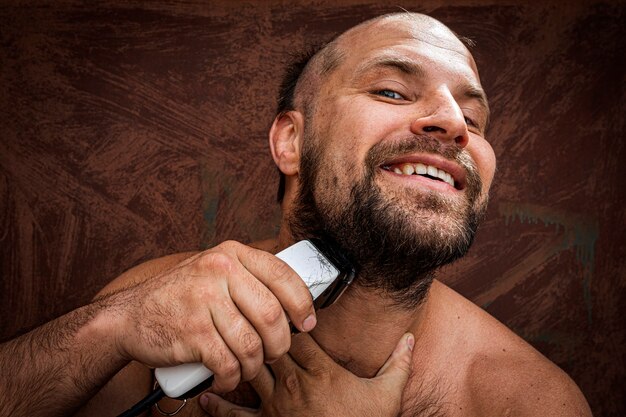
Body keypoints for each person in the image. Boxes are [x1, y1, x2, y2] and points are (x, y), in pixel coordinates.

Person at [0, 11, 591, 417]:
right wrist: (110, 325)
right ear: (289, 142)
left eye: (475, 118)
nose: (454, 125)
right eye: (390, 91)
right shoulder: (151, 308)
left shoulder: (528, 401)